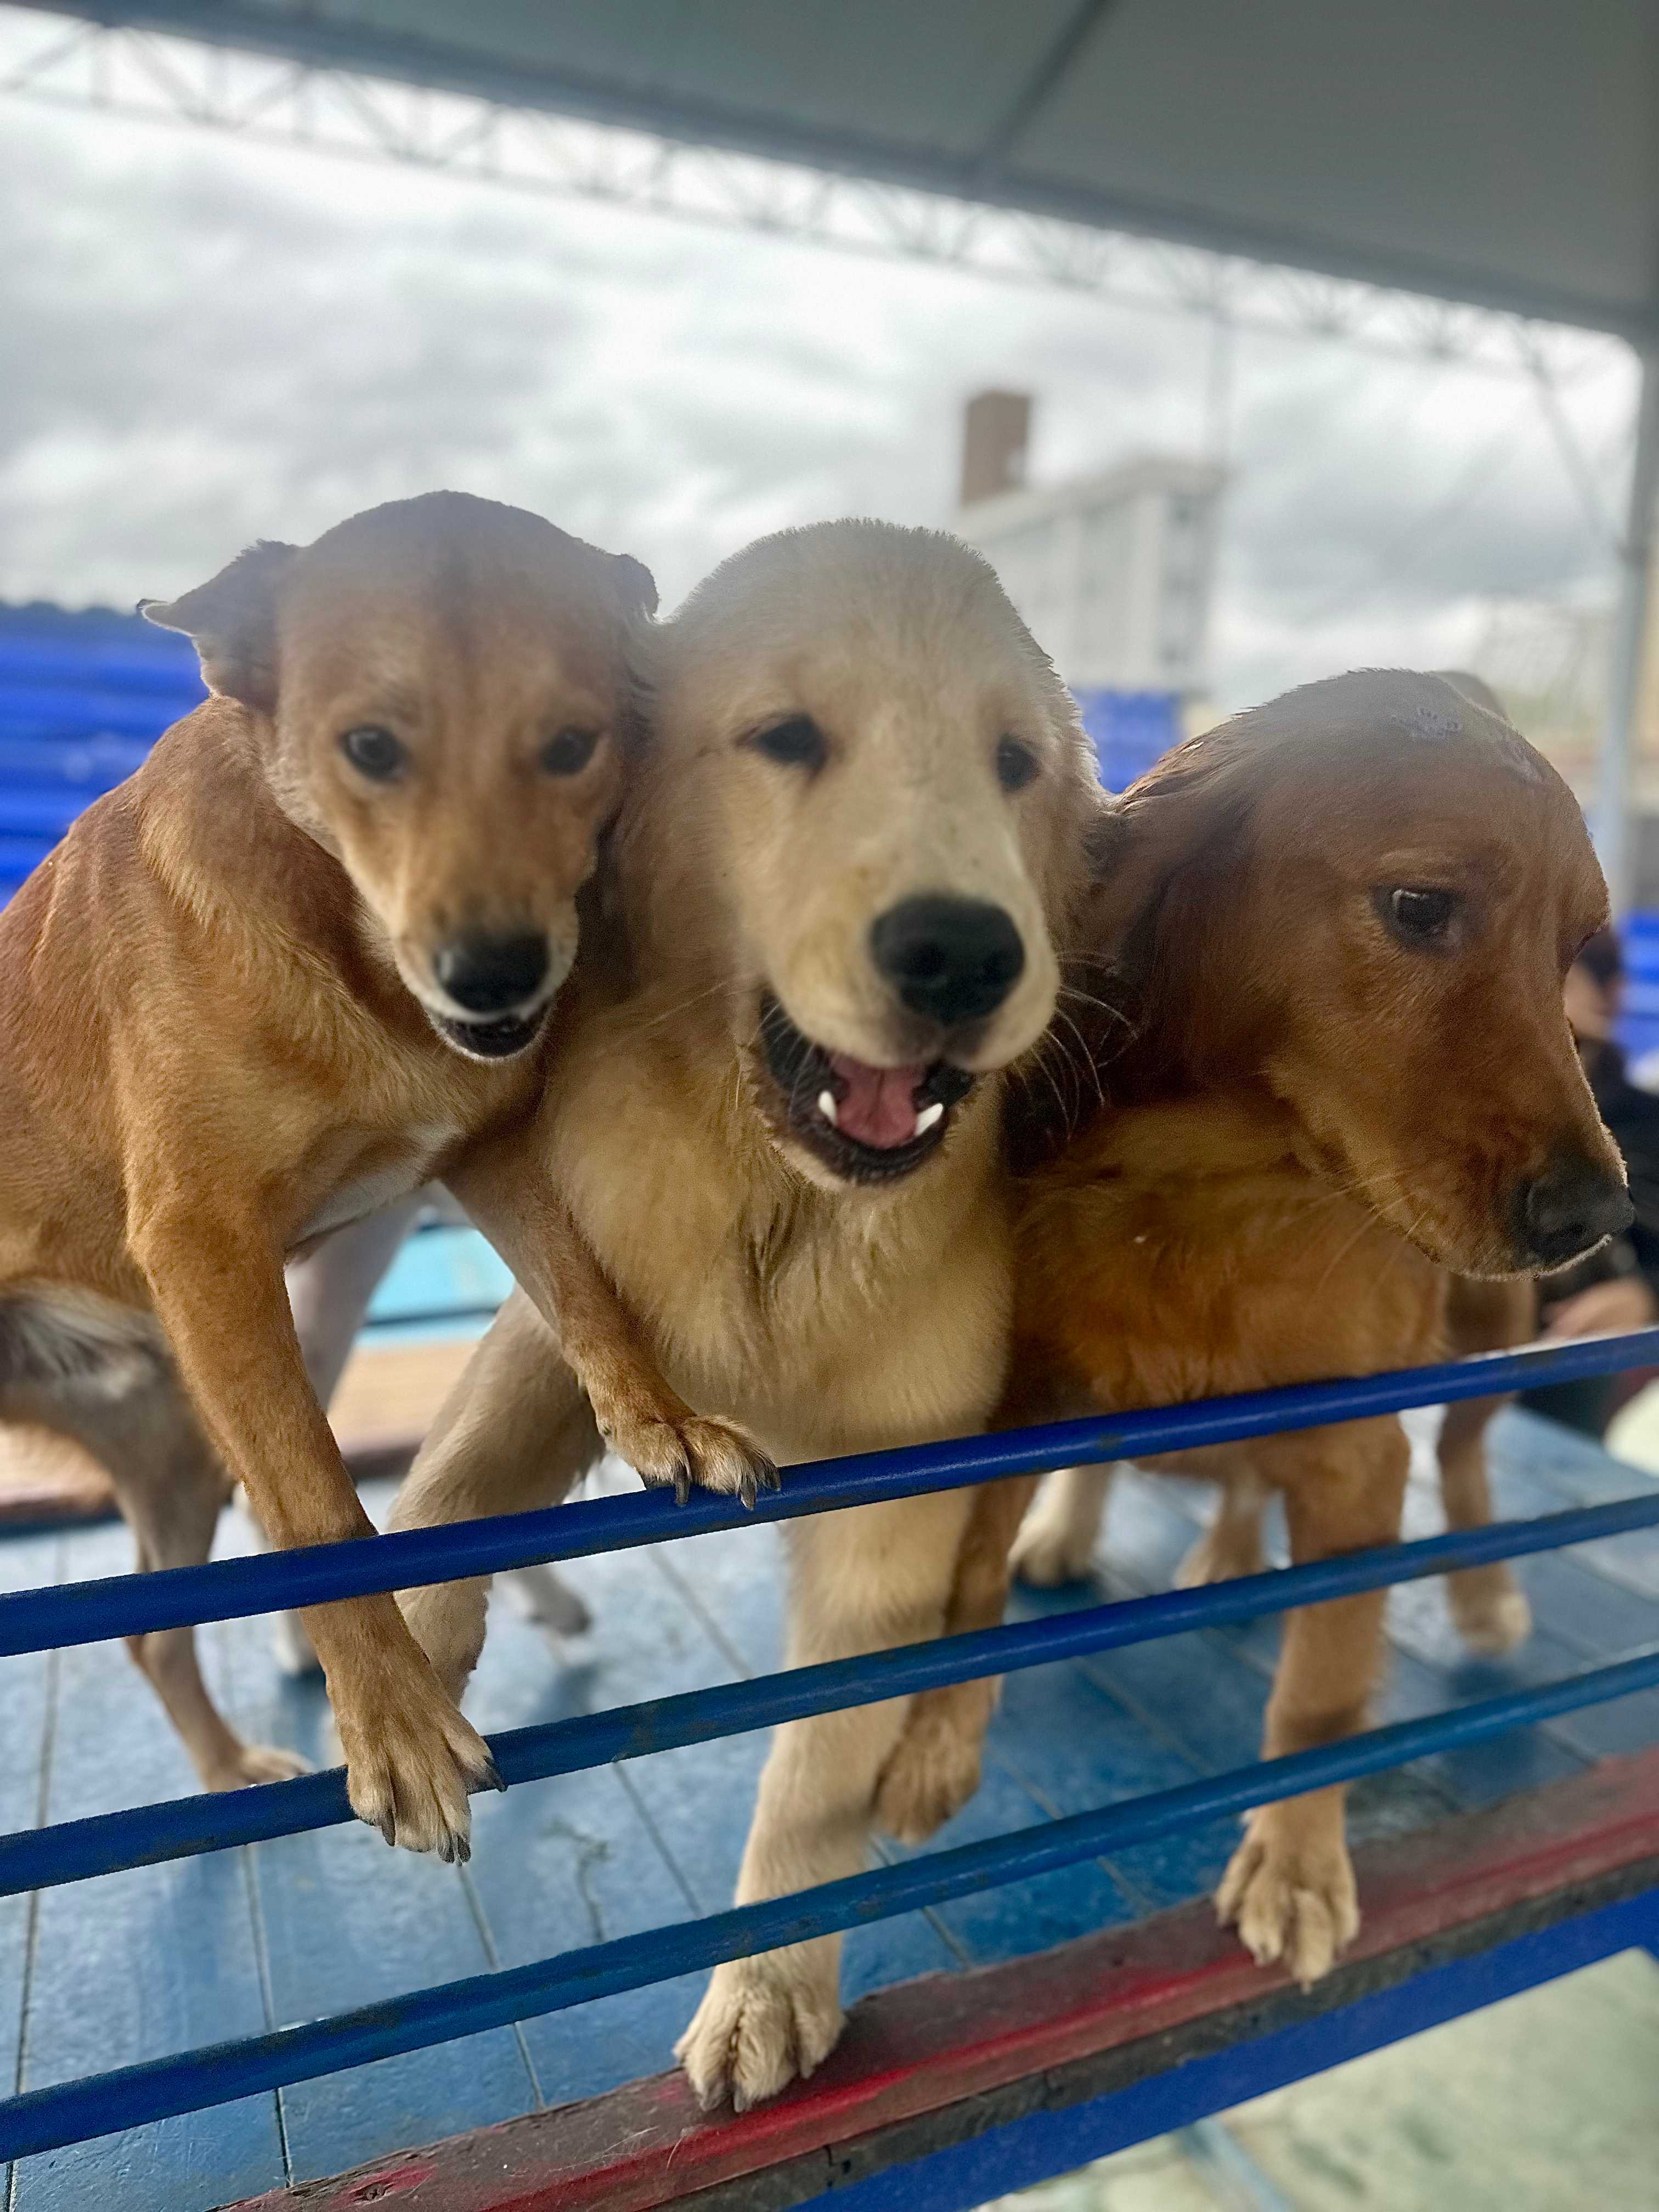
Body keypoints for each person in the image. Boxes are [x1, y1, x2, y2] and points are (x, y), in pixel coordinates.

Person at [1520, 928, 1659, 1436]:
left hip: (1575, 1357)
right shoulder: (1483, 1110)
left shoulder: (1645, 1121)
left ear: (1613, 995)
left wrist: (1646, 1296)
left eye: (1559, 980)